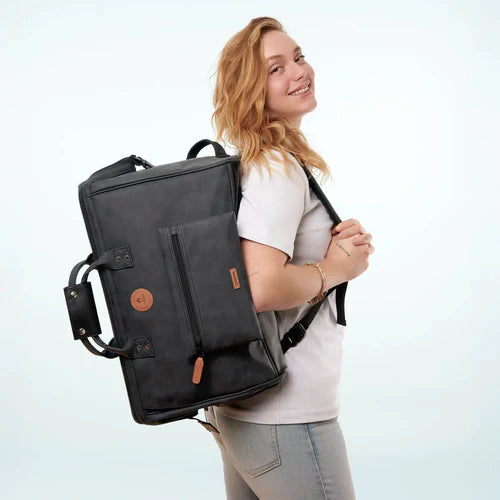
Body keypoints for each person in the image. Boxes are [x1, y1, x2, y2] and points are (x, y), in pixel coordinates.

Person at [202, 16, 375, 500]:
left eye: (298, 57)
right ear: (251, 91)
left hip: (247, 413)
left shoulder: (258, 163)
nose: (299, 71)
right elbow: (261, 286)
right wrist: (337, 268)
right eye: (275, 68)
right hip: (288, 417)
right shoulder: (276, 168)